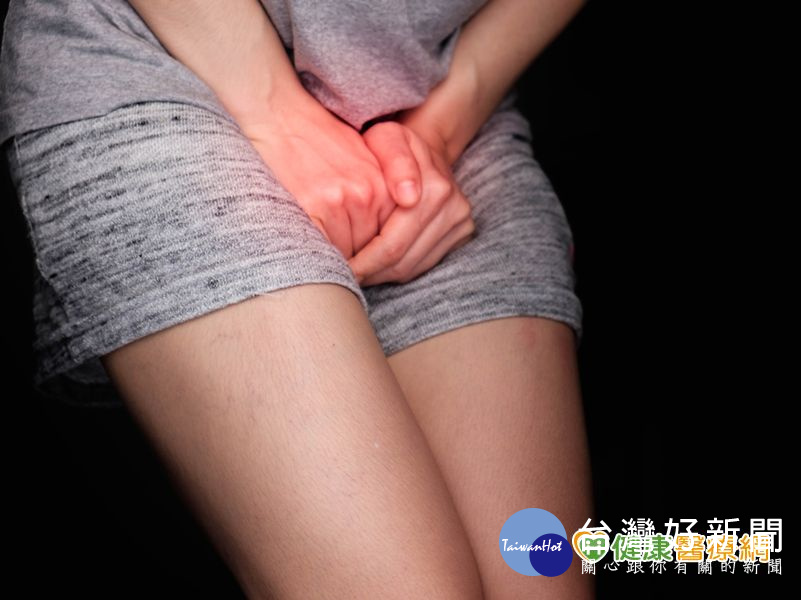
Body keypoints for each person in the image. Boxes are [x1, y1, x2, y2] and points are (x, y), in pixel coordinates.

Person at [1, 0, 592, 597]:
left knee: (534, 582)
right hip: (168, 52)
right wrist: (275, 112)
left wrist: (437, 132)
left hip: (436, 97)